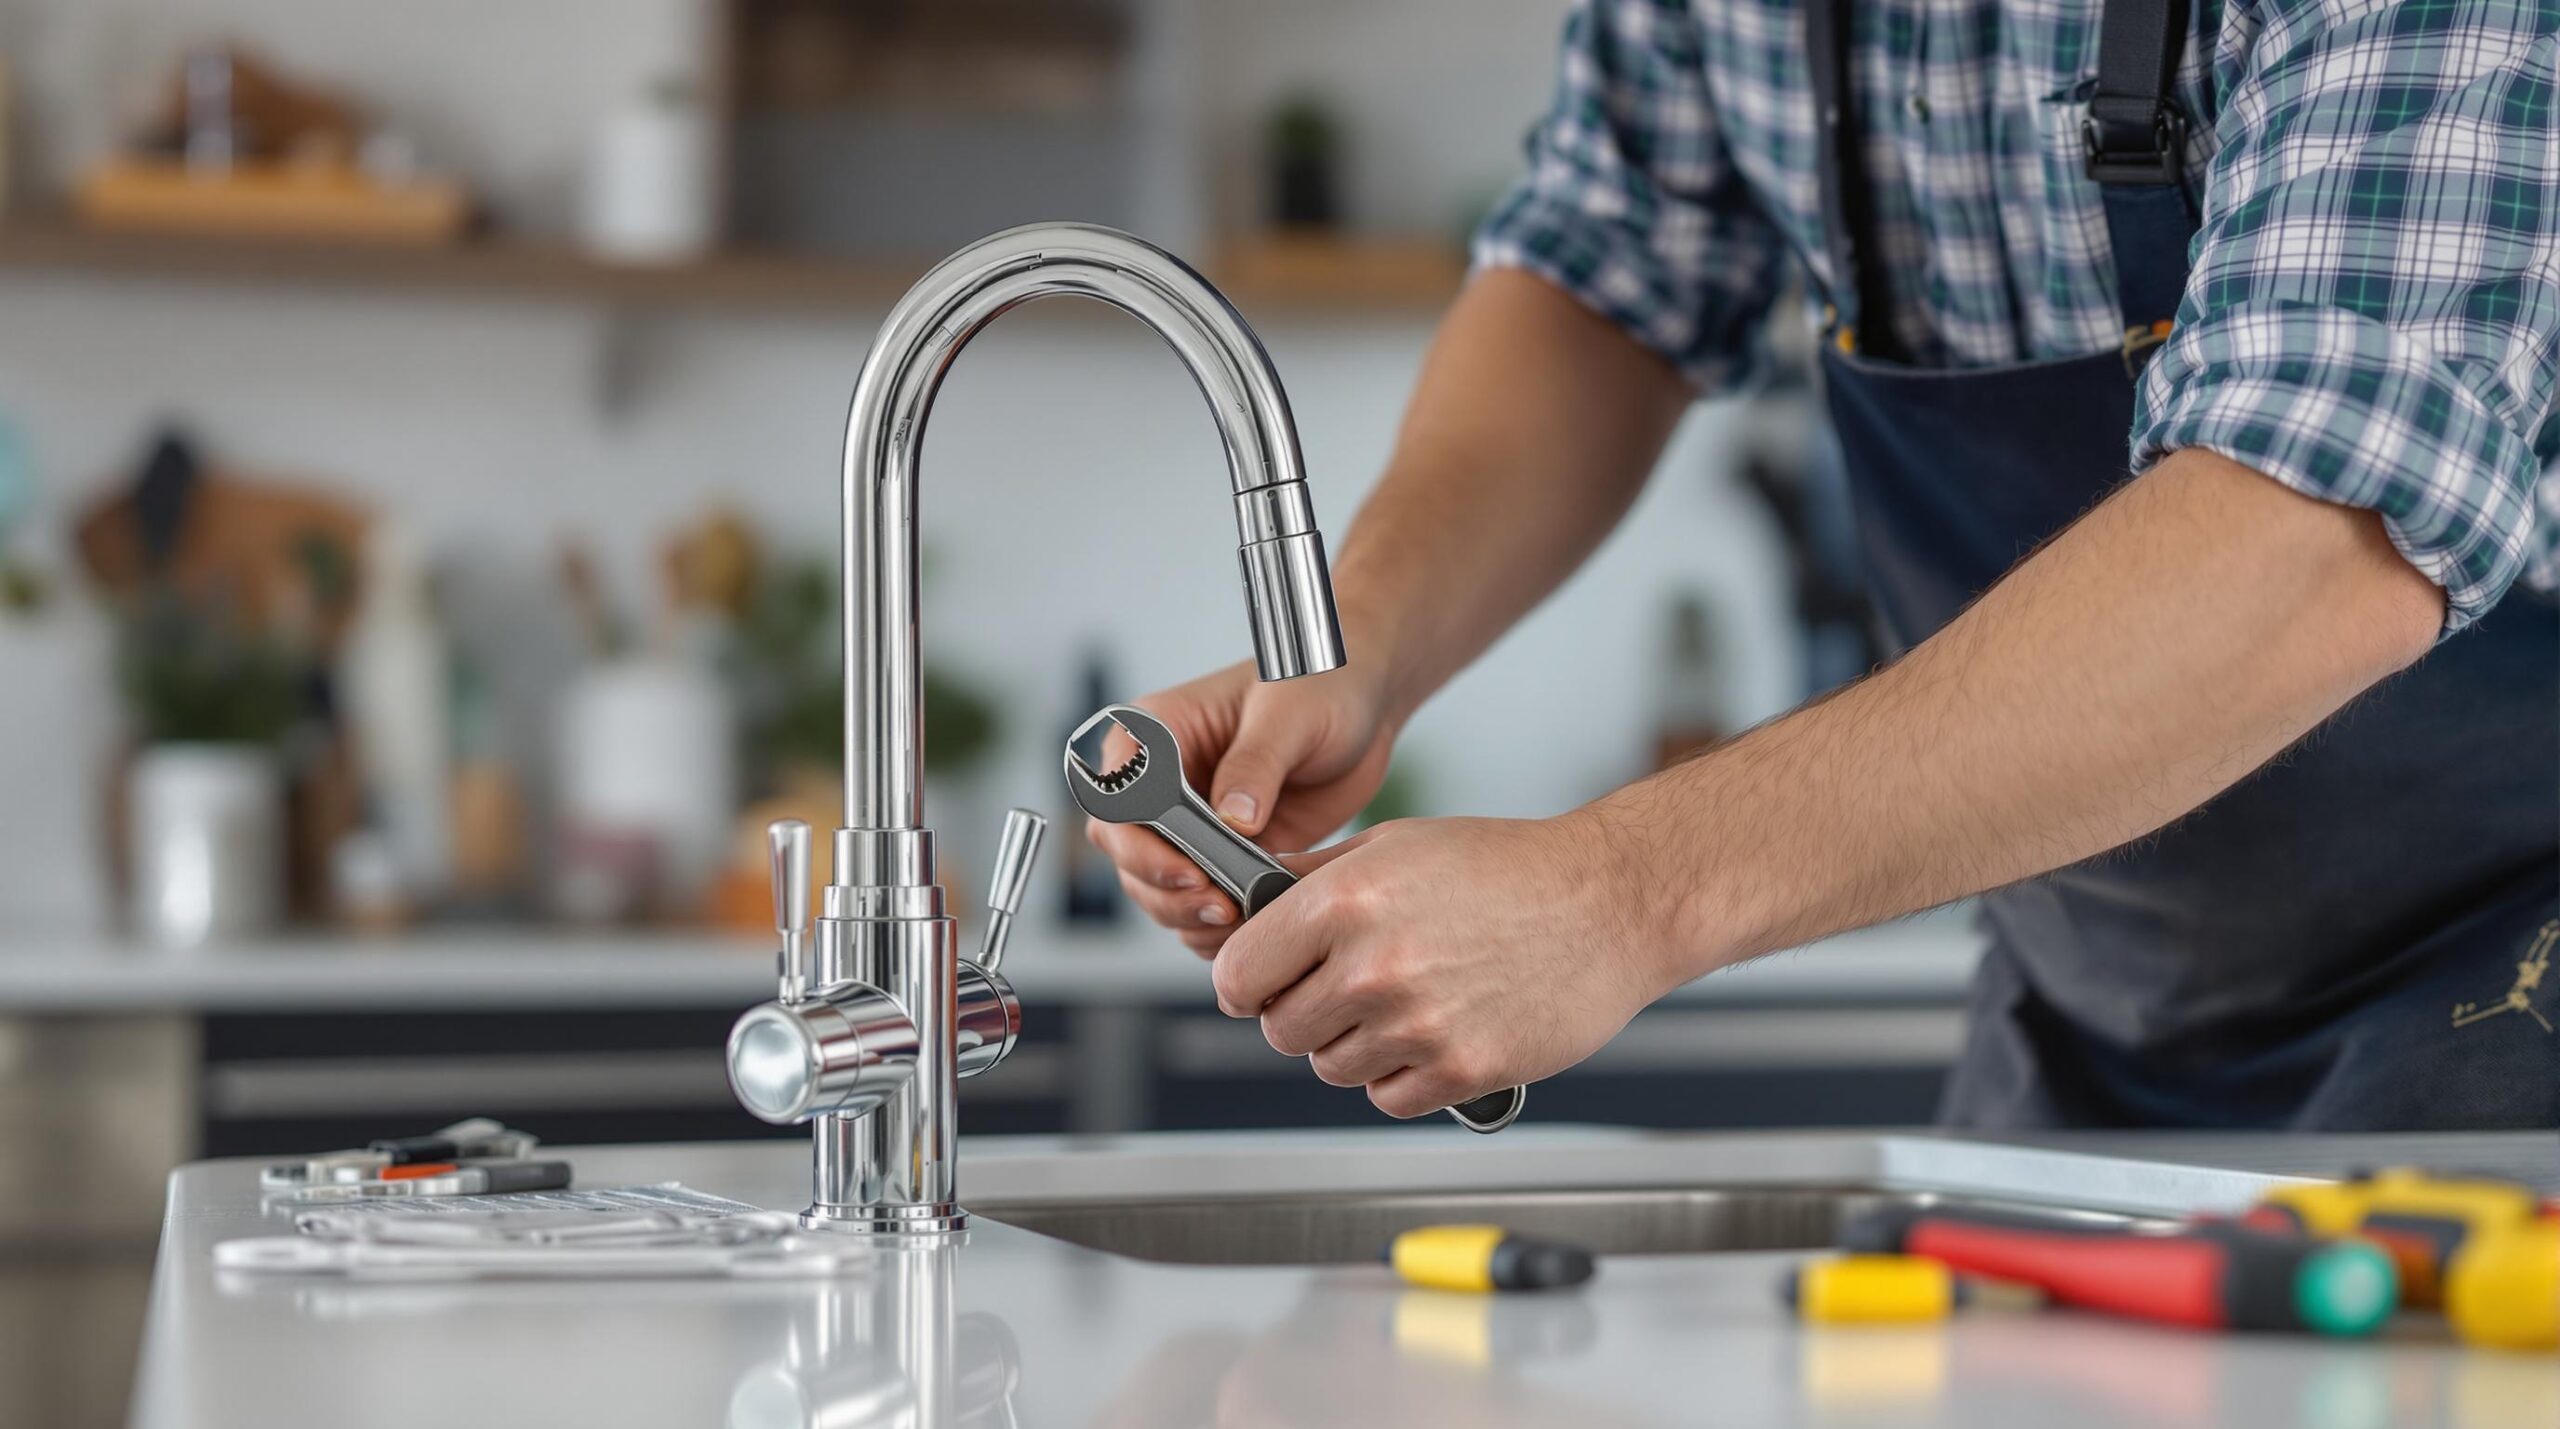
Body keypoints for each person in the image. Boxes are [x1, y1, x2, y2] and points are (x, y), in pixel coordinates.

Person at [1090, 0, 2559, 1129]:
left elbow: (2318, 529)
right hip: (2081, 1035)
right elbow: (1611, 267)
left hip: (2514, 1015)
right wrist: (1357, 641)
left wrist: (1620, 893)